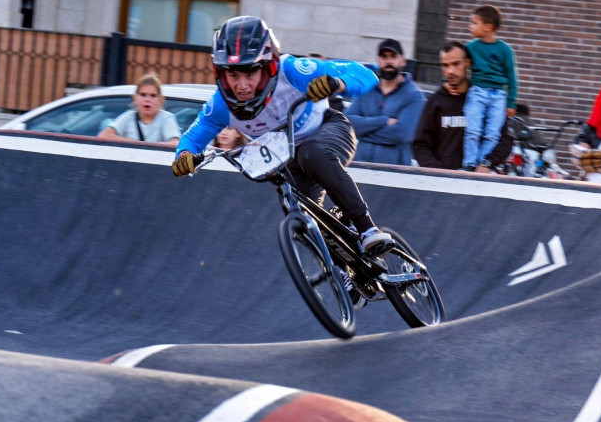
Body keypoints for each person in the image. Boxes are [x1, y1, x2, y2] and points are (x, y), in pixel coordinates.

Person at [171, 15, 394, 257]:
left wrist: (336, 83)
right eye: (232, 75)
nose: (241, 85)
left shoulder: (292, 70)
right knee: (301, 222)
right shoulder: (220, 105)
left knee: (312, 153)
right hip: (288, 159)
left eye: (249, 73)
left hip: (328, 130)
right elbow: (192, 139)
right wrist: (184, 156)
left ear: (268, 67)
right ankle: (347, 274)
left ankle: (367, 228)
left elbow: (366, 75)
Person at [412, 41, 512, 172]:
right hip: (444, 184)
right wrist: (440, 173)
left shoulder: (486, 99)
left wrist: (487, 164)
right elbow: (420, 145)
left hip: (481, 183)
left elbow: (505, 140)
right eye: (445, 65)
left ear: (467, 62)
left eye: (456, 64)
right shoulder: (436, 101)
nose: (450, 71)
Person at [344, 38, 424, 166]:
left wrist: (363, 133)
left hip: (394, 172)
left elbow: (402, 134)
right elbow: (347, 123)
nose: (388, 61)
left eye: (393, 56)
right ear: (378, 60)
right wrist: (383, 121)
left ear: (402, 61)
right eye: (384, 57)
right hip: (359, 167)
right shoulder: (367, 89)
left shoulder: (414, 95)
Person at [462, 5, 519, 171]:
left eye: (474, 23)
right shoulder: (470, 47)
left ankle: (483, 162)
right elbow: (461, 65)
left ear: (488, 27)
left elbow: (512, 77)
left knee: (493, 133)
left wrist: (511, 102)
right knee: (473, 129)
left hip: (498, 96)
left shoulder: (505, 50)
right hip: (477, 92)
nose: (470, 26)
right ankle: (469, 163)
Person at [98, 73, 181, 144]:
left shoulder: (166, 118)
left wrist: (145, 147)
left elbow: (174, 143)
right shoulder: (129, 116)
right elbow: (103, 136)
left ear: (160, 99)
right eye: (143, 95)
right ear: (135, 98)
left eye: (153, 96)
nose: (147, 100)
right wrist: (135, 144)